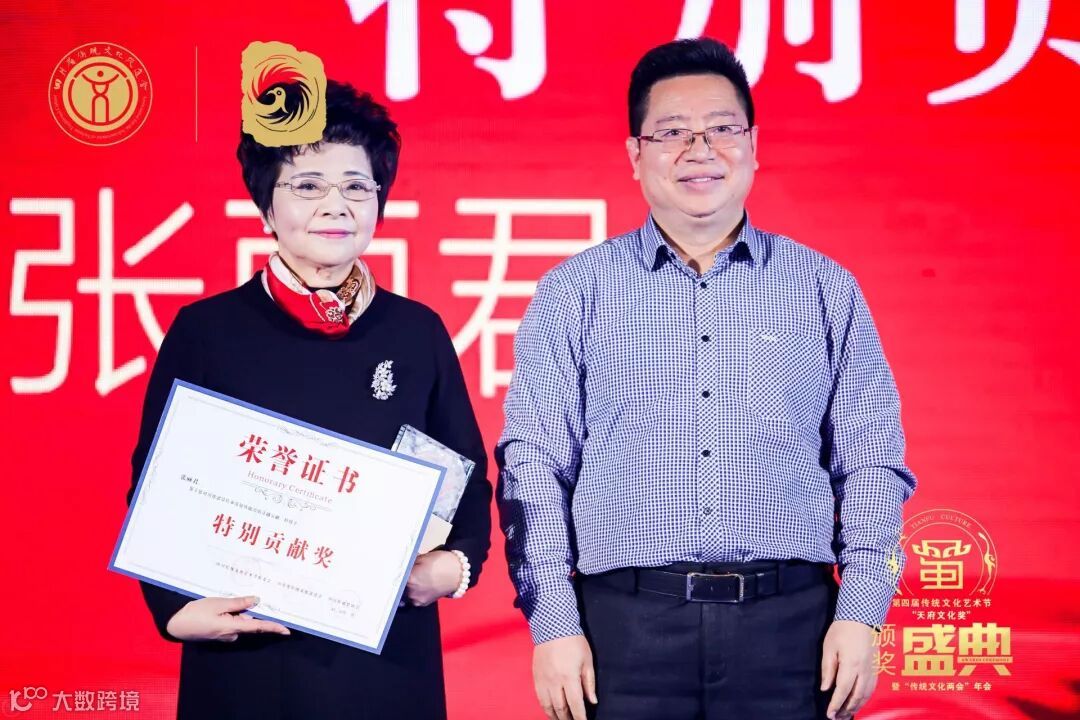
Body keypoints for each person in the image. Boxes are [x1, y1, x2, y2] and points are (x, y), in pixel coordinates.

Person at [496, 38, 916, 720]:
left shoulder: (823, 288)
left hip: (792, 633)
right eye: (671, 132)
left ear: (753, 145)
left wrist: (863, 610)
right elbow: (534, 465)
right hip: (622, 635)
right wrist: (554, 623)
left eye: (722, 128)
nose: (700, 150)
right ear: (635, 155)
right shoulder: (574, 291)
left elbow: (872, 460)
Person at [128, 80, 492, 720]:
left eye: (356, 186)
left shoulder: (417, 332)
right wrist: (174, 610)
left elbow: (464, 476)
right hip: (247, 651)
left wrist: (456, 565)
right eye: (308, 186)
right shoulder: (208, 330)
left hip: (386, 657)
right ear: (266, 207)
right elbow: (157, 481)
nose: (335, 205)